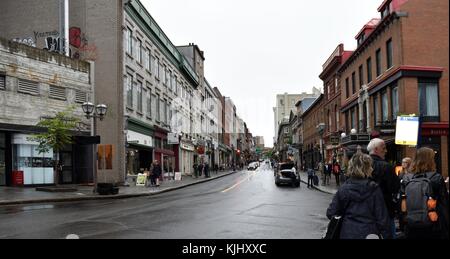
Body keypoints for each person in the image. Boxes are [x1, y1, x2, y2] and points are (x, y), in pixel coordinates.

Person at [326, 152, 391, 239]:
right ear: (367, 168)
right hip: (369, 234)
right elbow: (382, 219)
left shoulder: (343, 189)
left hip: (347, 233)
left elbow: (331, 213)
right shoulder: (374, 189)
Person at [402, 147, 449, 239]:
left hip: (411, 224)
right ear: (430, 160)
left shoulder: (406, 178)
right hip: (433, 224)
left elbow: (402, 202)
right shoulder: (436, 178)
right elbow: (444, 204)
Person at [367, 138, 400, 238]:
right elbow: (395, 188)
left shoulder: (362, 166)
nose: (386, 151)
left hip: (367, 212)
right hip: (385, 211)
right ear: (376, 149)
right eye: (383, 148)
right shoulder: (387, 167)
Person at [397, 157, 413, 233]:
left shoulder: (412, 173)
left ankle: (408, 225)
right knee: (401, 210)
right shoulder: (400, 172)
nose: (403, 164)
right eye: (402, 162)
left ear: (409, 163)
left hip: (409, 194)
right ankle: (402, 226)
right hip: (401, 194)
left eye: (405, 162)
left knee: (408, 210)